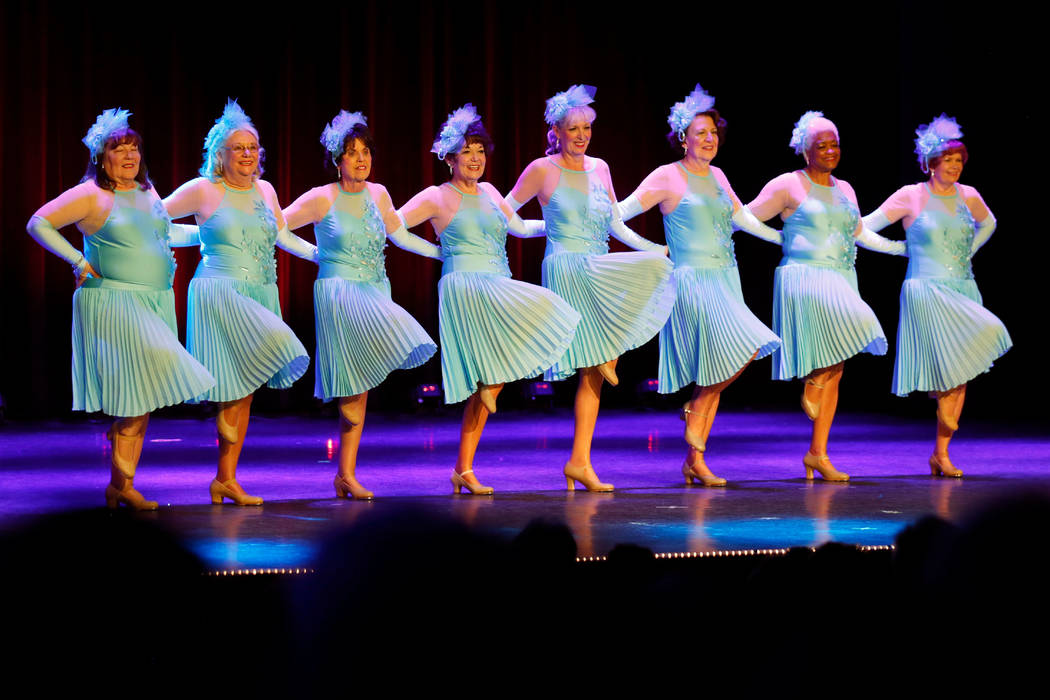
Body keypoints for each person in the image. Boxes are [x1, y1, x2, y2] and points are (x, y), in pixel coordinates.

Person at [26, 108, 215, 509]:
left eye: (134, 148)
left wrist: (211, 231)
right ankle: (123, 482)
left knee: (141, 396)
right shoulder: (92, 195)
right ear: (101, 156)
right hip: (114, 301)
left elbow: (165, 233)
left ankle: (120, 482)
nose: (128, 155)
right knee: (136, 395)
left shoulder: (146, 193)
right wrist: (78, 260)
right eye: (118, 148)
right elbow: (39, 222)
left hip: (155, 302)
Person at [399, 104, 580, 495]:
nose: (476, 158)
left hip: (498, 280)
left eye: (480, 150)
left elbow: (516, 226)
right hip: (466, 285)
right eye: (467, 151)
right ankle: (466, 456)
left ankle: (463, 468)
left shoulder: (491, 191)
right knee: (493, 370)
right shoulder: (436, 195)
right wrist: (437, 253)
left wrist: (559, 225)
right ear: (450, 157)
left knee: (493, 380)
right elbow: (393, 226)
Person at [506, 85, 673, 492]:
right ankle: (605, 356)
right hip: (567, 266)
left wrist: (655, 247)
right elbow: (505, 212)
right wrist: (544, 229)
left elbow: (615, 222)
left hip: (597, 261)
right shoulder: (541, 169)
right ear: (556, 131)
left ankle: (579, 461)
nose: (581, 136)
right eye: (573, 129)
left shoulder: (601, 167)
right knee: (593, 362)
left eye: (586, 128)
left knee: (593, 373)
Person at [618, 85, 781, 486]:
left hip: (726, 274)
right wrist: (653, 249)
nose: (709, 139)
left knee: (728, 355)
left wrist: (783, 238)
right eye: (699, 133)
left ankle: (696, 458)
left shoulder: (719, 175)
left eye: (713, 132)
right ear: (682, 138)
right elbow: (618, 214)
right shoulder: (667, 175)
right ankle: (696, 411)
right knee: (743, 344)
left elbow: (742, 218)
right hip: (692, 279)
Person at [165, 100, 316, 505]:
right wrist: (199, 237)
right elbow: (154, 220)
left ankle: (225, 479)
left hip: (262, 290)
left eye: (253, 147)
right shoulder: (203, 189)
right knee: (277, 351)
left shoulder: (265, 189)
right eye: (239, 147)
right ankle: (223, 428)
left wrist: (320, 255)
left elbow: (282, 235)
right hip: (220, 290)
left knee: (246, 386)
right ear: (220, 154)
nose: (248, 154)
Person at [284, 111, 439, 499]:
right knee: (353, 387)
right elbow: (277, 225)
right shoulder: (323, 198)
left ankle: (345, 474)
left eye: (366, 151)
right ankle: (347, 474)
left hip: (374, 290)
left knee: (361, 388)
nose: (361, 159)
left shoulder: (379, 194)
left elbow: (400, 235)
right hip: (339, 293)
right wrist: (315, 254)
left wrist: (442, 253)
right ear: (338, 160)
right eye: (352, 153)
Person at [747, 111, 902, 481]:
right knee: (861, 324)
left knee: (838, 361)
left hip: (842, 275)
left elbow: (859, 232)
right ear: (805, 150)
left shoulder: (845, 189)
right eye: (822, 145)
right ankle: (812, 383)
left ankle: (818, 453)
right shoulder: (789, 184)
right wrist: (779, 238)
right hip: (804, 275)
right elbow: (746, 216)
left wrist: (900, 248)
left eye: (835, 144)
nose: (831, 150)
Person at [863, 114, 1011, 477]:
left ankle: (941, 452)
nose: (955, 167)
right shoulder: (911, 195)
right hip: (926, 290)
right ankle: (942, 449)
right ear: (931, 163)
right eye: (948, 160)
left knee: (960, 370)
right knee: (949, 372)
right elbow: (861, 228)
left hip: (963, 286)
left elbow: (989, 222)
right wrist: (901, 249)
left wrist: (970, 250)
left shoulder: (969, 195)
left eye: (959, 161)